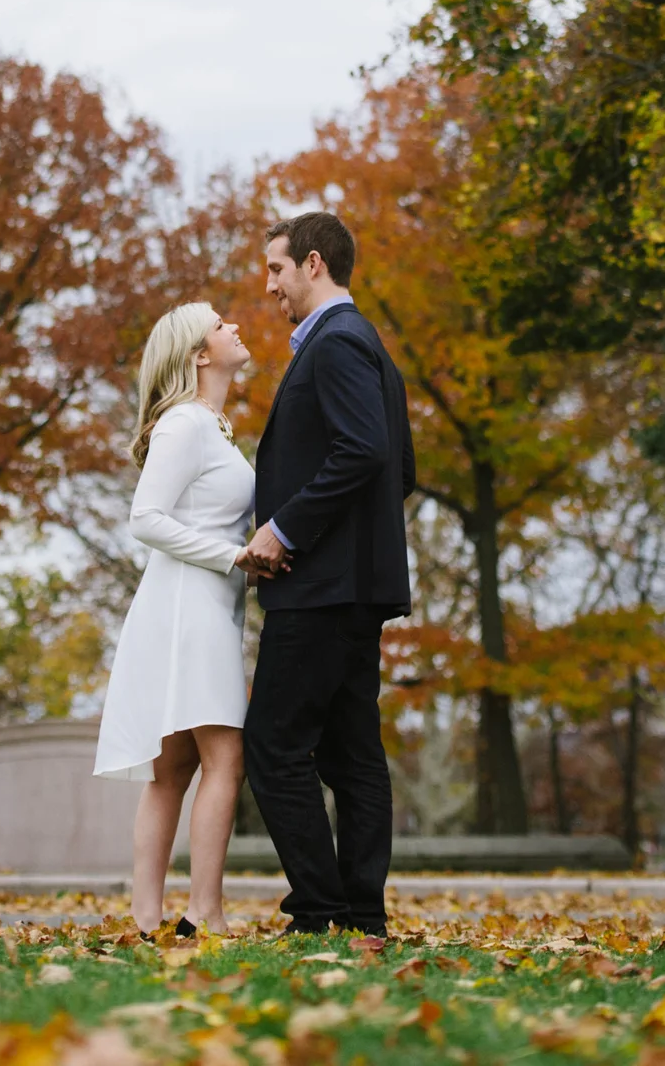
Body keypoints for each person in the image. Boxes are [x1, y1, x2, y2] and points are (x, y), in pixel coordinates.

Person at [237, 210, 415, 938]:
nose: (270, 284)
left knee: (273, 746)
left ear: (314, 264)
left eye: (276, 268)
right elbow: (398, 469)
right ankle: (362, 913)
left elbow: (366, 453)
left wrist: (286, 529)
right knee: (350, 753)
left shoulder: (336, 343)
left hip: (319, 590)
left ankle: (319, 909)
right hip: (355, 588)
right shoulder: (369, 344)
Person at [92, 300, 268, 937]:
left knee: (173, 770)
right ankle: (205, 911)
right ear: (199, 354)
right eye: (222, 325)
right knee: (226, 760)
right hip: (187, 608)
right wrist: (235, 556)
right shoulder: (184, 425)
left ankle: (146, 921)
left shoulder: (210, 426)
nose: (236, 326)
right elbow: (145, 519)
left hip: (200, 606)